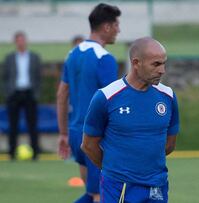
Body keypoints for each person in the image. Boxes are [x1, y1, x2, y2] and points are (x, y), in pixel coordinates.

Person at [81, 37, 180, 203]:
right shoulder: (106, 97)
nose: (162, 70)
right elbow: (88, 145)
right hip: (119, 187)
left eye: (164, 63)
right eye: (156, 64)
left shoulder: (168, 96)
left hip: (157, 186)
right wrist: (114, 171)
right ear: (136, 63)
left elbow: (169, 144)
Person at [56, 3, 121, 203]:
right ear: (107, 27)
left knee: (91, 193)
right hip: (96, 137)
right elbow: (112, 102)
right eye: (117, 25)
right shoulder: (105, 59)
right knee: (100, 196)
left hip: (76, 134)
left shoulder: (73, 54)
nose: (119, 30)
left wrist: (64, 133)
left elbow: (61, 95)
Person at [3, 31, 42, 161]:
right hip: (14, 94)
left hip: (29, 93)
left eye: (22, 40)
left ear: (26, 41)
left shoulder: (34, 57)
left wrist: (36, 93)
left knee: (32, 124)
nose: (21, 42)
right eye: (18, 40)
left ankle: (35, 152)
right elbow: (5, 77)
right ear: (15, 42)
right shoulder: (9, 58)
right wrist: (8, 93)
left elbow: (38, 76)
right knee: (12, 125)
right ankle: (12, 152)